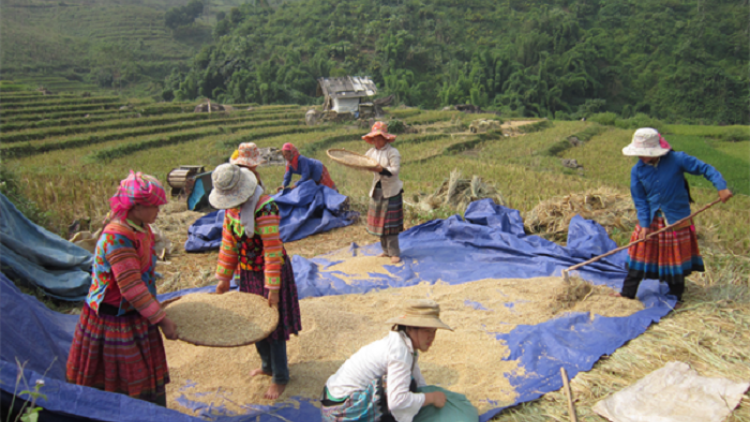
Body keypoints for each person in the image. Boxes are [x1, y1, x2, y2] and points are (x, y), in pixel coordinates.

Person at [66, 171, 178, 406]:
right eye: (155, 206)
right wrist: (162, 320)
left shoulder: (140, 227)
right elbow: (131, 288)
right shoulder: (117, 237)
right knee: (121, 379)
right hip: (114, 319)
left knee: (141, 376)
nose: (159, 211)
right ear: (136, 206)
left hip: (135, 312)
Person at [209, 163, 302, 400]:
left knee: (274, 326)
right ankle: (266, 365)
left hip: (272, 272)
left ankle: (280, 377)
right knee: (255, 324)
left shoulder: (265, 208)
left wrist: (273, 289)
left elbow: (272, 250)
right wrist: (223, 279)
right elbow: (228, 245)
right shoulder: (232, 211)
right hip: (249, 273)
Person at [617, 128, 733, 303]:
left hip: (676, 218)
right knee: (639, 253)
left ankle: (676, 296)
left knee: (674, 258)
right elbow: (640, 200)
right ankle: (627, 294)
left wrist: (721, 187)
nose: (640, 156)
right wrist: (645, 225)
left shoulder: (677, 159)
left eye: (644, 152)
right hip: (651, 218)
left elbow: (706, 169)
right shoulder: (638, 170)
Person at [321, 299, 452, 422]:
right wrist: (431, 398)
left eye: (434, 331)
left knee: (409, 383)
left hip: (333, 399)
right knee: (402, 387)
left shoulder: (404, 345)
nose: (431, 337)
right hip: (340, 411)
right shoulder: (399, 351)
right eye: (426, 331)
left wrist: (430, 396)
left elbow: (420, 382)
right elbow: (397, 402)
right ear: (410, 328)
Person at [363, 122, 404, 264]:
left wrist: (382, 169)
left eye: (379, 138)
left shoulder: (393, 152)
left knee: (390, 225)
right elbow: (364, 162)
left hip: (391, 191)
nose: (377, 141)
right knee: (380, 223)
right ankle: (385, 250)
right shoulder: (371, 152)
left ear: (386, 139)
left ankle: (394, 252)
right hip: (377, 189)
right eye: (374, 139)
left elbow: (395, 171)